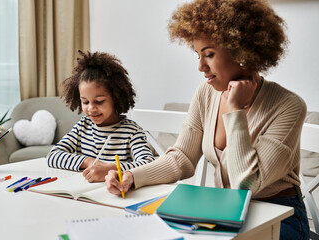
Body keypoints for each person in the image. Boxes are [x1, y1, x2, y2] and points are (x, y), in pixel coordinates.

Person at [105, 0, 309, 239]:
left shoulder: (288, 105)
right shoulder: (205, 92)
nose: (201, 66)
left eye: (209, 54)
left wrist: (235, 111)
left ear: (241, 50)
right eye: (197, 55)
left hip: (279, 217)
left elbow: (247, 184)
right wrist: (132, 176)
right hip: (223, 212)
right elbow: (182, 158)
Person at [47, 50, 155, 182]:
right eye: (85, 102)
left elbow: (148, 164)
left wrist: (112, 168)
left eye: (99, 101)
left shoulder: (132, 132)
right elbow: (53, 156)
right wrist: (88, 162)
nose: (91, 108)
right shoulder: (83, 127)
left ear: (115, 97)